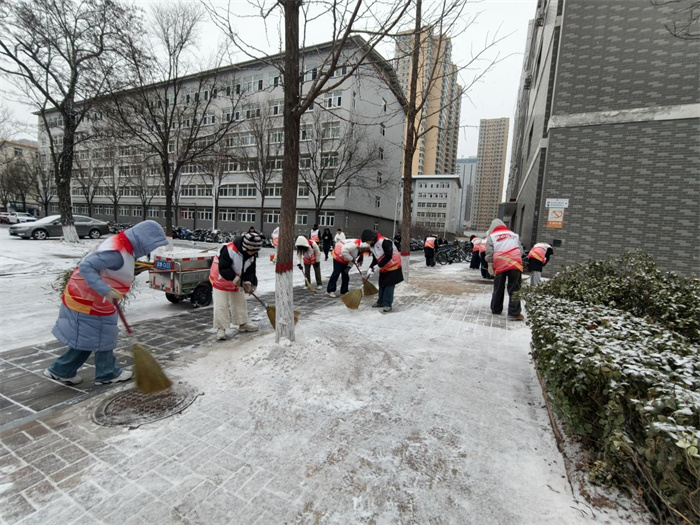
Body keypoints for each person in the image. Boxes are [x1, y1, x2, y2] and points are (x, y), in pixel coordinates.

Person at [44, 220, 168, 385]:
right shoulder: (116, 253)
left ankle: (62, 370)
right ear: (143, 240)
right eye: (150, 245)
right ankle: (106, 373)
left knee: (91, 338)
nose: (149, 250)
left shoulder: (122, 247)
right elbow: (86, 266)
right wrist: (106, 291)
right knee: (102, 337)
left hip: (96, 301)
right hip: (88, 301)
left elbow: (110, 269)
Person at [210, 232, 262, 340]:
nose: (254, 253)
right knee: (221, 304)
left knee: (240, 301)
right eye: (253, 250)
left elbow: (250, 270)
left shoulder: (252, 254)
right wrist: (236, 279)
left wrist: (248, 282)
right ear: (246, 247)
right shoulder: (229, 250)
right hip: (221, 279)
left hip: (237, 279)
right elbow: (223, 268)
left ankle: (242, 323)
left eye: (255, 251)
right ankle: (221, 328)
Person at [485, 219, 525, 320]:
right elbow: (520, 250)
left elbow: (489, 252)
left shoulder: (492, 236)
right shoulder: (514, 235)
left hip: (500, 263)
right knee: (515, 288)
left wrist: (490, 264)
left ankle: (496, 309)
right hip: (515, 263)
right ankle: (514, 313)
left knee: (498, 287)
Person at [361, 229, 403, 313]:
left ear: (371, 238)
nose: (367, 243)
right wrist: (371, 267)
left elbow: (388, 256)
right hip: (384, 267)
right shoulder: (372, 245)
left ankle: (387, 305)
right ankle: (380, 302)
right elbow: (375, 258)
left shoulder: (385, 242)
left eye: (367, 241)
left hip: (393, 266)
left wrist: (378, 266)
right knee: (382, 284)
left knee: (389, 285)